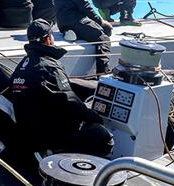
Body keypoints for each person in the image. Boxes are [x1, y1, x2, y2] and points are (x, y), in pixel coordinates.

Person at [10, 19, 114, 158]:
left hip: (29, 133)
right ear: (48, 40)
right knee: (103, 136)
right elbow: (70, 102)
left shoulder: (23, 64)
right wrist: (94, 117)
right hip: (50, 137)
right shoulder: (50, 67)